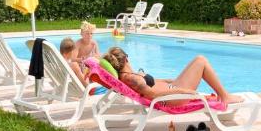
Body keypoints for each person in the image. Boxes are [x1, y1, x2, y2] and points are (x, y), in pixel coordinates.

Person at [102, 46, 242, 105]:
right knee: (201, 61)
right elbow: (154, 95)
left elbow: (153, 83)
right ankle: (225, 97)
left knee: (198, 61)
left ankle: (224, 95)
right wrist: (184, 91)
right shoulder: (131, 78)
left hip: (172, 88)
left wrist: (172, 80)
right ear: (126, 58)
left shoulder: (129, 75)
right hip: (172, 97)